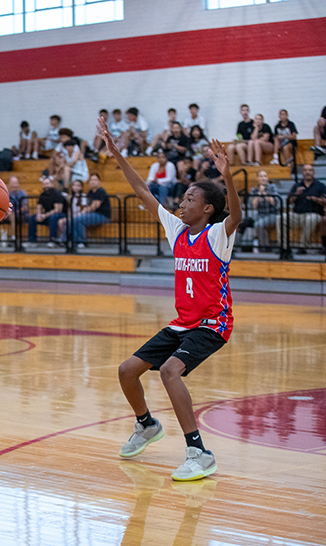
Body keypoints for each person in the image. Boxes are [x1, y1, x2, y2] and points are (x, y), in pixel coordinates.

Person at [97, 115, 242, 482]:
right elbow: (143, 191)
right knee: (127, 371)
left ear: (207, 209)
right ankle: (146, 424)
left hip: (213, 323)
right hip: (182, 322)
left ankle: (199, 451)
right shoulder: (177, 229)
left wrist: (227, 176)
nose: (183, 201)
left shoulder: (217, 235)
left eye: (191, 198)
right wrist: (116, 153)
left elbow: (236, 214)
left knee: (169, 370)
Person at [278, 164, 326, 255]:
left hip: (313, 214)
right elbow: (289, 202)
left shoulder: (320, 186)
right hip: (297, 214)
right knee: (281, 218)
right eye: (305, 170)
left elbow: (325, 201)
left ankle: (302, 246)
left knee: (310, 219)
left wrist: (316, 199)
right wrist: (296, 194)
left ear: (313, 173)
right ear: (302, 173)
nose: (307, 172)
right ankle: (284, 247)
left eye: (310, 170)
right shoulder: (297, 185)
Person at [66, 173, 111, 249]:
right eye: (92, 180)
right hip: (92, 214)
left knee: (79, 219)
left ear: (99, 182)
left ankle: (81, 241)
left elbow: (95, 206)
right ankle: (72, 240)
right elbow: (87, 205)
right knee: (74, 220)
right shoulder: (90, 192)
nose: (93, 182)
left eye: (95, 180)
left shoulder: (101, 191)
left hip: (102, 215)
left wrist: (83, 212)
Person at [239, 170, 279, 252]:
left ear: (267, 178)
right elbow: (253, 206)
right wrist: (258, 195)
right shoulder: (254, 190)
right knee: (244, 223)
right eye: (261, 176)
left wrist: (263, 194)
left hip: (272, 214)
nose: (263, 178)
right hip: (260, 215)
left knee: (258, 224)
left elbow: (275, 202)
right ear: (257, 178)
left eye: (264, 176)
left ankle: (266, 248)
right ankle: (239, 247)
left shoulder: (272, 187)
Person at [27, 176, 66, 247]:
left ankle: (53, 240)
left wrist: (45, 215)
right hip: (48, 216)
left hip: (60, 215)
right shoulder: (42, 195)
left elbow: (58, 209)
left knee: (53, 217)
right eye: (44, 184)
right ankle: (32, 241)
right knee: (32, 218)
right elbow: (39, 206)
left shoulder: (57, 194)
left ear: (52, 184)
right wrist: (39, 215)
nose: (46, 186)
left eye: (47, 184)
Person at [0, 176, 28, 244]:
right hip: (6, 213)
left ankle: (13, 236)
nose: (14, 185)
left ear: (18, 184)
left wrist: (16, 211)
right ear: (9, 184)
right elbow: (1, 204)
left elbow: (25, 206)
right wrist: (5, 213)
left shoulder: (22, 193)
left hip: (19, 214)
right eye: (13, 183)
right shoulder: (5, 193)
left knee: (12, 215)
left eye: (15, 183)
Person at [57, 179, 88, 243]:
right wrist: (69, 217)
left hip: (79, 215)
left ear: (81, 187)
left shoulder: (83, 196)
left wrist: (78, 215)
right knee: (61, 222)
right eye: (74, 185)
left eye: (78, 186)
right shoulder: (70, 197)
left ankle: (76, 240)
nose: (76, 187)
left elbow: (84, 209)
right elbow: (69, 209)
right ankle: (63, 238)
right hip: (72, 215)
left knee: (73, 222)